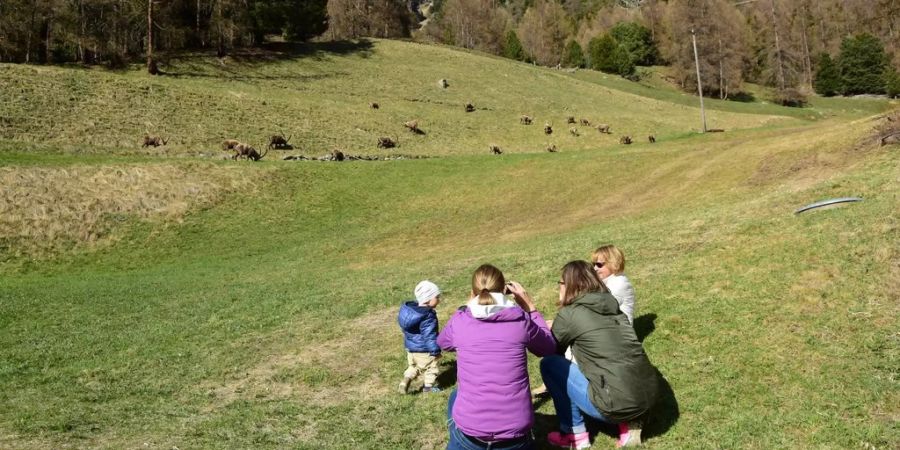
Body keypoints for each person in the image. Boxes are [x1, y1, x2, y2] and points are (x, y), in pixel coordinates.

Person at [437, 264, 556, 450]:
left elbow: (443, 342)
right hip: (515, 436)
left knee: (455, 396)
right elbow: (548, 348)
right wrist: (530, 307)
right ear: (504, 290)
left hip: (470, 435)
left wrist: (464, 309)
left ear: (472, 293)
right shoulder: (521, 320)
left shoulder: (461, 320)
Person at [541, 261, 658, 449]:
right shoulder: (610, 305)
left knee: (550, 364)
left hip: (614, 405)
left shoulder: (569, 314)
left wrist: (545, 324)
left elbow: (550, 350)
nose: (559, 287)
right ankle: (629, 422)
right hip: (648, 397)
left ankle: (574, 434)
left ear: (570, 285)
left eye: (560, 283)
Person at [398, 280, 443, 394]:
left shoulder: (409, 312)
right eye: (437, 297)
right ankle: (428, 388)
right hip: (425, 350)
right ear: (428, 299)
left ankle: (405, 380)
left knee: (414, 367)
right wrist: (435, 350)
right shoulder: (427, 316)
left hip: (411, 350)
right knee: (432, 367)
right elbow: (430, 335)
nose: (439, 299)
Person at [592, 245, 636, 325]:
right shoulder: (607, 282)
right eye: (593, 264)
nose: (595, 268)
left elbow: (599, 309)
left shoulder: (619, 284)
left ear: (613, 263)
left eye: (599, 265)